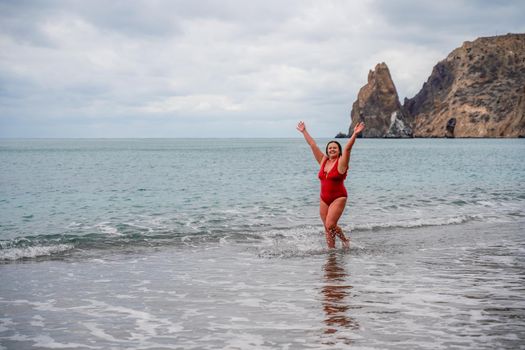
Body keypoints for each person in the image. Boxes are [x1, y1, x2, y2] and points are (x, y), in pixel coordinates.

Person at [297, 121, 365, 249]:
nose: (332, 149)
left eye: (334, 147)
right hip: (324, 198)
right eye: (329, 148)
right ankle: (331, 253)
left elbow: (347, 149)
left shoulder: (341, 163)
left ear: (338, 151)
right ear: (327, 151)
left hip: (338, 197)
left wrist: (355, 134)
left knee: (330, 225)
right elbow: (313, 145)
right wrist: (304, 131)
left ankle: (345, 240)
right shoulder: (323, 160)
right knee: (327, 228)